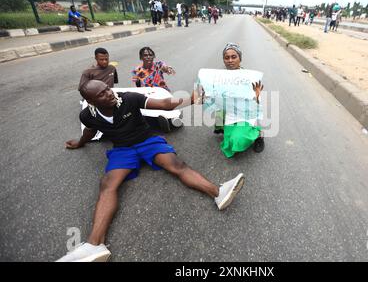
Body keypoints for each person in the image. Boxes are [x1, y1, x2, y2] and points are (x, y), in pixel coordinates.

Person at [56, 80, 245, 262]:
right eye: (102, 94)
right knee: (107, 184)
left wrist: (190, 99)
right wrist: (80, 142)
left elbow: (164, 104)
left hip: (147, 141)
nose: (109, 93)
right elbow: (89, 131)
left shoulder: (129, 98)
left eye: (108, 88)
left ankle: (219, 193)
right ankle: (94, 245)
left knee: (177, 165)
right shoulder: (87, 115)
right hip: (122, 150)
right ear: (91, 101)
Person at [212, 43, 265, 158]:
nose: (230, 60)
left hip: (246, 114)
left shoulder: (250, 78)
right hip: (231, 113)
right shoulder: (220, 77)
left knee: (237, 141)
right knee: (218, 108)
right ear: (223, 60)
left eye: (234, 57)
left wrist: (256, 96)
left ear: (240, 58)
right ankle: (221, 127)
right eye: (227, 58)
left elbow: (257, 107)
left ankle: (258, 134)